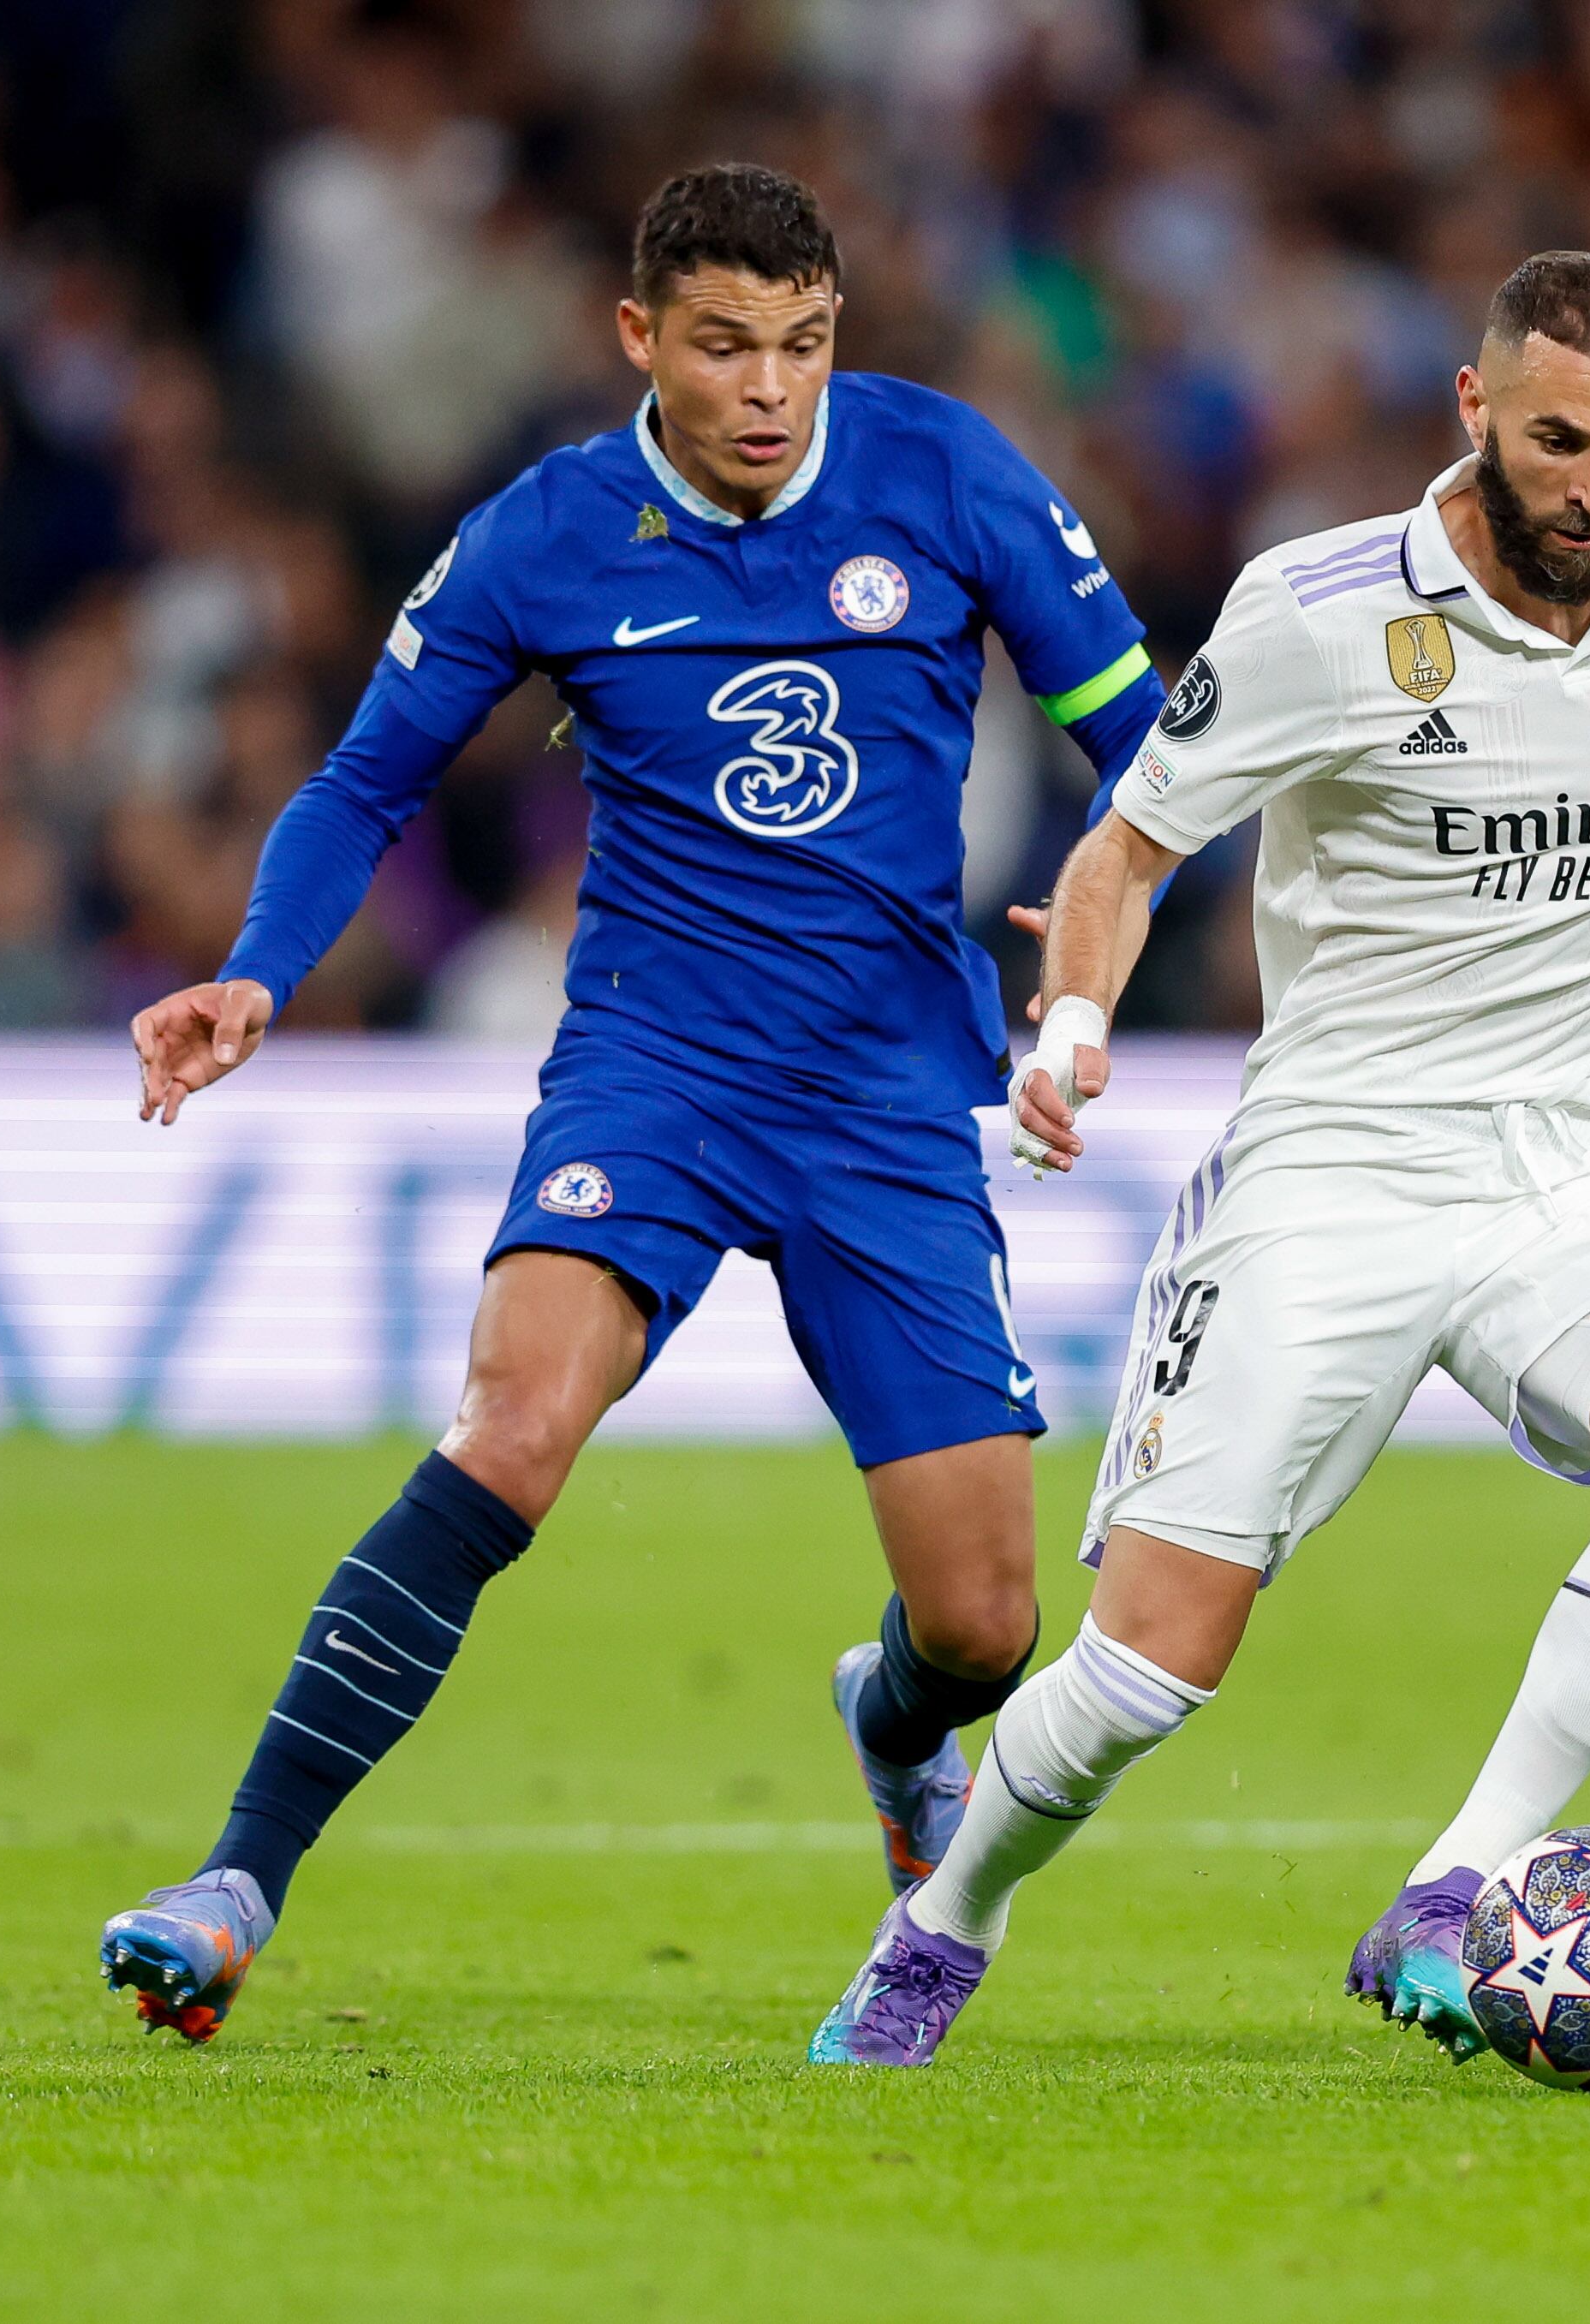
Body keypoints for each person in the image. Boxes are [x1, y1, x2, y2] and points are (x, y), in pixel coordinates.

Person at [97, 164, 1165, 2041]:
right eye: (728, 346)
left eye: (807, 345)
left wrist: (1082, 967)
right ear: (640, 341)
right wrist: (262, 966)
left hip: (885, 1097)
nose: (772, 389)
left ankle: (889, 1714)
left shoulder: (944, 474)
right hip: (652, 1070)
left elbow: (1156, 755)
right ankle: (236, 1877)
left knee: (987, 1626)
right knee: (510, 1426)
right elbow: (363, 782)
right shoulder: (547, 533)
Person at [808, 251, 1590, 2067]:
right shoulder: (1322, 610)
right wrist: (1070, 1030)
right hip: (1335, 1175)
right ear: (1474, 411)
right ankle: (944, 1920)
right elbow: (1127, 851)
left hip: (1579, 1176)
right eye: (1555, 441)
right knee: (1144, 1676)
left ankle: (1454, 1885)